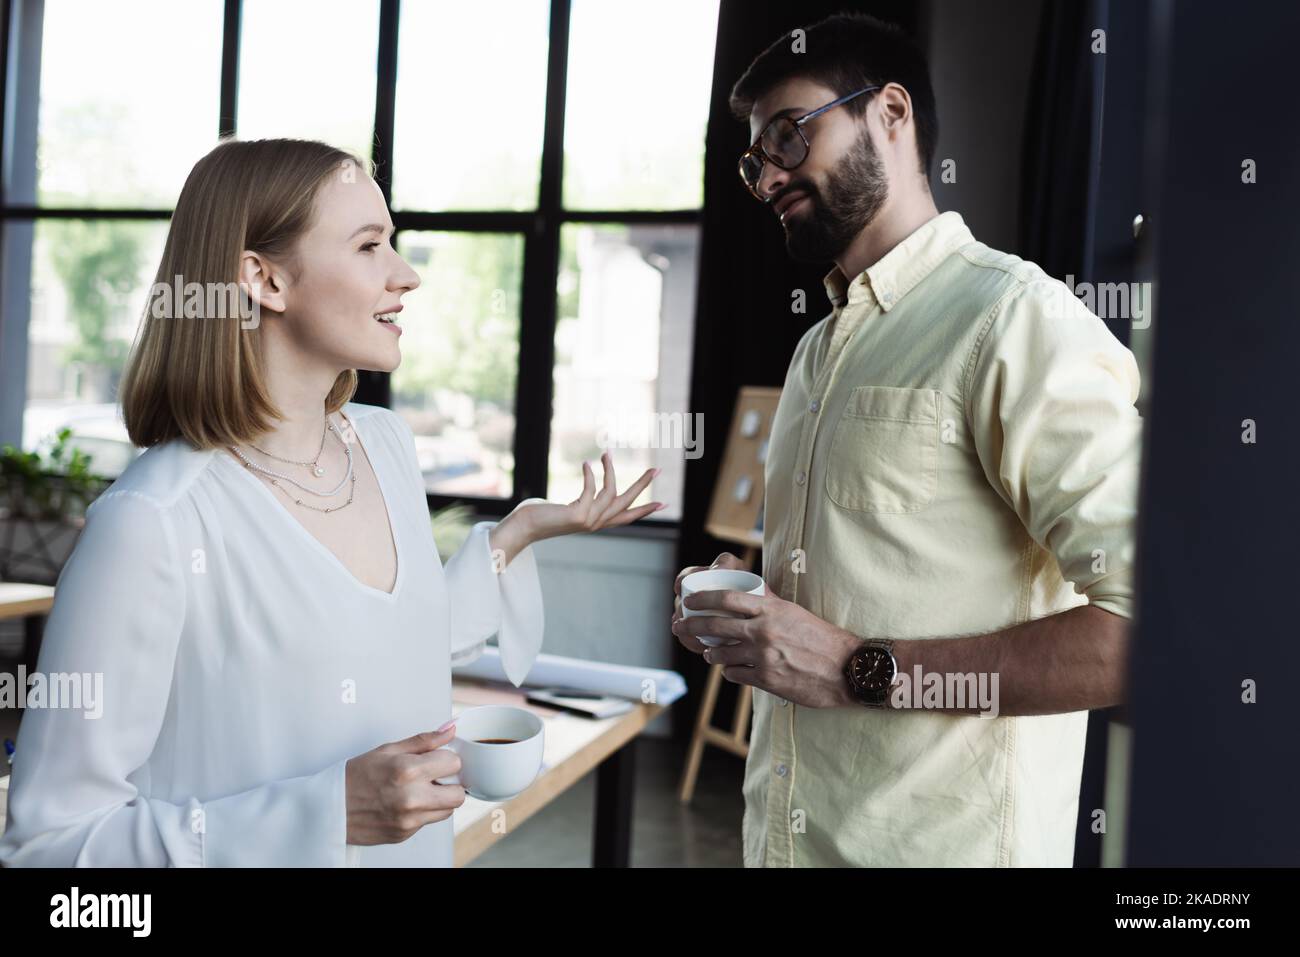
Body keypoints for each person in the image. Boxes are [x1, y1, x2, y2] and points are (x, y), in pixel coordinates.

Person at [0, 138, 660, 867]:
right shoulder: (151, 524)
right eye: (370, 245)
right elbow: (50, 849)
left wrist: (519, 532)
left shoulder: (385, 446)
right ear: (264, 279)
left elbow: (390, 643)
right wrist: (324, 812)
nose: (405, 276)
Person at [672, 13, 1142, 867]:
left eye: (788, 135)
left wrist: (858, 667)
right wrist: (747, 607)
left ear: (891, 112)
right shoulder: (816, 349)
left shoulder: (1016, 320)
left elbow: (1146, 632)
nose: (767, 175)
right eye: (753, 159)